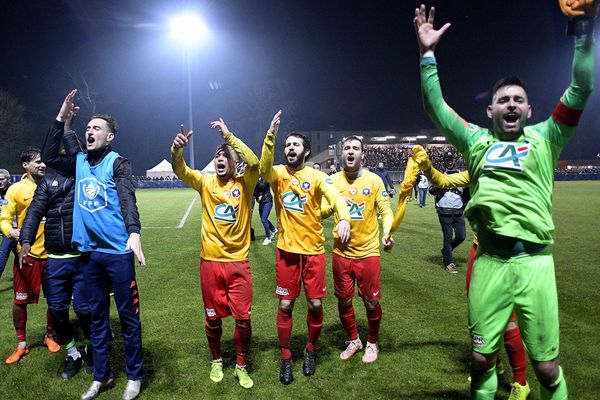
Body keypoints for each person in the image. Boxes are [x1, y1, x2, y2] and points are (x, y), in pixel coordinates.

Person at [414, 4, 595, 398]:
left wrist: (583, 30)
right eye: (504, 100)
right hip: (490, 263)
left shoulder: (548, 137)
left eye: (518, 99)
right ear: (490, 109)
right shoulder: (476, 140)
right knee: (481, 360)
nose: (511, 104)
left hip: (535, 264)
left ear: (529, 110)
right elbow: (437, 109)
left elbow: (581, 88)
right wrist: (427, 55)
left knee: (547, 369)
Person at [44, 90, 146, 400]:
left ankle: (134, 375)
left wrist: (134, 231)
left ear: (110, 136)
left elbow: (127, 196)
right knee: (97, 319)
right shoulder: (77, 161)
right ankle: (101, 377)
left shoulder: (118, 162)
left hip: (117, 253)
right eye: (87, 127)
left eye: (96, 127)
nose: (90, 131)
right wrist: (62, 119)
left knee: (129, 318)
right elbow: (49, 155)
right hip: (88, 255)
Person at [413, 145, 530, 399]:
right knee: (480, 317)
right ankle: (491, 367)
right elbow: (442, 180)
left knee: (508, 322)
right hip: (480, 252)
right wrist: (426, 166)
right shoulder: (475, 173)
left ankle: (520, 382)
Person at [260, 110, 351, 385]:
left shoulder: (317, 176)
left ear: (306, 151)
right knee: (286, 304)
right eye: (287, 145)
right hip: (287, 251)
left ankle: (310, 349)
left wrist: (344, 217)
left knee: (314, 303)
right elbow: (263, 168)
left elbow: (336, 197)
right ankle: (286, 356)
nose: (290, 149)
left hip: (313, 251)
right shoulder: (277, 174)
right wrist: (271, 135)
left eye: (295, 145)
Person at [171, 119, 258, 389]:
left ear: (234, 162)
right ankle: (217, 359)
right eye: (217, 156)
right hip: (210, 263)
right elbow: (181, 170)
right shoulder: (206, 182)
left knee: (243, 319)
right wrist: (177, 149)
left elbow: (255, 162)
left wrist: (229, 137)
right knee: (212, 318)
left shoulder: (246, 183)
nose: (220, 159)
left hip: (238, 263)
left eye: (225, 156)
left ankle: (241, 365)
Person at [19, 95, 92, 380]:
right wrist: (25, 240)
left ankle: (92, 349)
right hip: (56, 259)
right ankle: (73, 353)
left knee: (85, 309)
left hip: (82, 257)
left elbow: (73, 154)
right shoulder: (48, 182)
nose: (61, 157)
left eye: (66, 153)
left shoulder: (83, 174)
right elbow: (34, 212)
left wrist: (67, 125)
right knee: (59, 310)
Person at [321, 136, 394, 363]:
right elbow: (323, 209)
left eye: (355, 148)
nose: (350, 151)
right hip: (341, 254)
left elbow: (386, 211)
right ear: (342, 154)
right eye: (347, 148)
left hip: (368, 253)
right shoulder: (331, 181)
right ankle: (354, 340)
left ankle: (372, 342)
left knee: (371, 302)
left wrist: (387, 233)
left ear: (363, 155)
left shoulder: (374, 181)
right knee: (343, 300)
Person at [0, 148, 60, 364]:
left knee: (55, 301)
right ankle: (22, 345)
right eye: (37, 162)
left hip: (53, 254)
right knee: (20, 301)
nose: (43, 165)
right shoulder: (15, 190)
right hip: (27, 255)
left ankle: (50, 336)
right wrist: (11, 232)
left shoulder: (53, 184)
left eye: (44, 162)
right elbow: (4, 218)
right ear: (25, 165)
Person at [429, 151, 468, 274]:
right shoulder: (439, 174)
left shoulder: (460, 174)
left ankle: (447, 251)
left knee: (461, 236)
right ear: (444, 160)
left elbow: (467, 193)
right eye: (447, 160)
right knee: (447, 237)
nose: (450, 162)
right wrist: (442, 184)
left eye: (451, 159)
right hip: (444, 211)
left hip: (458, 210)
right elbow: (432, 190)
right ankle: (449, 262)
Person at [0, 168, 17, 279]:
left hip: (13, 228)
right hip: (4, 227)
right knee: (22, 256)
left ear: (8, 179)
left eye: (1, 179)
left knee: (2, 254)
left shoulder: (13, 190)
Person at [253, 175, 277, 245]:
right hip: (261, 202)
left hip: (267, 201)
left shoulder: (265, 178)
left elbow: (262, 186)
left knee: (264, 219)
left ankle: (268, 238)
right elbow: (254, 192)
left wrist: (255, 182)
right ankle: (273, 229)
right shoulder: (255, 180)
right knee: (263, 219)